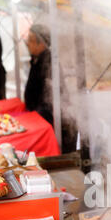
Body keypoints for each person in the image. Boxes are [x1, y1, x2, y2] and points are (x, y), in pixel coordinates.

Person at [24, 24, 77, 153]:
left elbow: (50, 102)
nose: (27, 43)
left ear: (41, 43)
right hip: (43, 118)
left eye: (31, 40)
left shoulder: (49, 62)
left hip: (56, 125)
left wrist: (32, 120)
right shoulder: (37, 59)